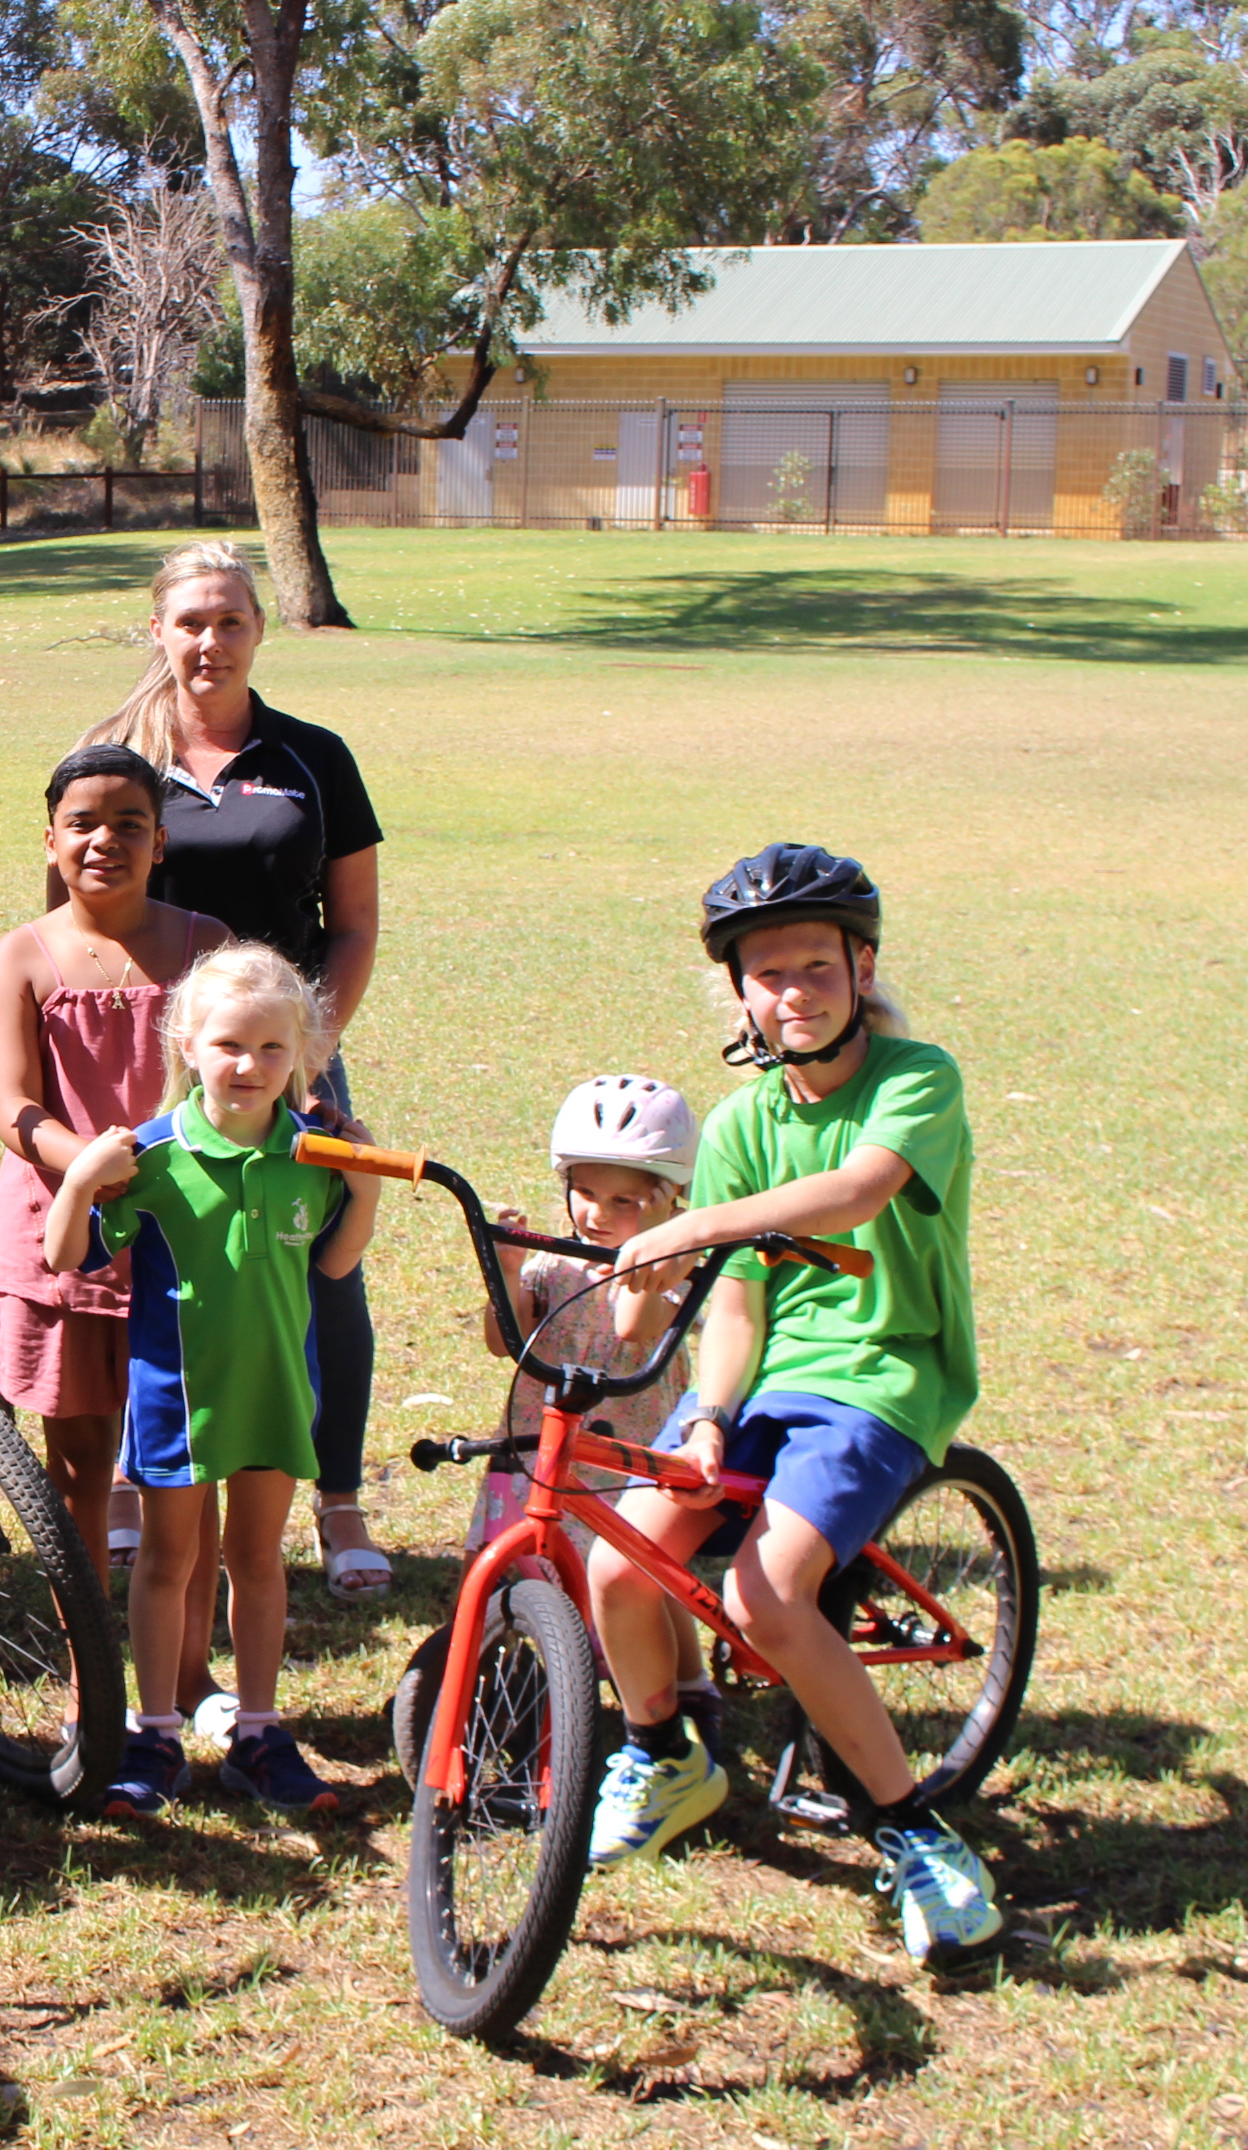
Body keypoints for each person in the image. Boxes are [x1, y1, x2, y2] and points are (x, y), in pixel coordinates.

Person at [584, 844, 1009, 1971]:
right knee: (619, 1562)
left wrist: (686, 1228)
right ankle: (665, 1754)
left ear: (861, 968)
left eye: (818, 967)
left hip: (882, 1375)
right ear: (741, 993)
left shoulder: (920, 1078)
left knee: (770, 1595)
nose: (796, 993)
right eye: (769, 975)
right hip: (768, 1381)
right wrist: (711, 1413)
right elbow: (738, 1307)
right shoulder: (736, 1126)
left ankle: (912, 1828)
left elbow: (857, 1189)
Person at [84, 541, 392, 1599]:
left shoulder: (313, 757)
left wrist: (314, 1050)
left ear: (259, 629)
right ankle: (138, 1481)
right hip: (155, 1059)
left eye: (230, 621)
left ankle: (339, 1499)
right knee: (158, 1268)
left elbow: (352, 926)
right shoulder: (114, 756)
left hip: (289, 1062)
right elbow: (75, 908)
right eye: (190, 622)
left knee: (323, 1266)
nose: (209, 641)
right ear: (159, 631)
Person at [47, 941, 383, 1821]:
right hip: (177, 1406)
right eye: (230, 1044)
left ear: (305, 1057)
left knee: (258, 1561)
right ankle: (153, 1734)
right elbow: (66, 1255)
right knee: (166, 1563)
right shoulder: (152, 1155)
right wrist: (81, 1176)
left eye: (274, 1049)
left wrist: (366, 1188)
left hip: (276, 1394)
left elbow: (336, 1267)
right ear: (187, 1044)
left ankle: (260, 1734)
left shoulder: (313, 1154)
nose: (250, 1065)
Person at [0, 742, 227, 1584]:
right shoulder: (20, 955)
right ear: (50, 840)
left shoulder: (208, 946)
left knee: (190, 1469)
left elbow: (244, 1079)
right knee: (80, 1458)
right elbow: (9, 1105)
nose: (104, 841)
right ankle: (93, 1675)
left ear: (161, 842)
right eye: (82, 823)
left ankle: (185, 1678)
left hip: (187, 1241)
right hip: (65, 1232)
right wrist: (84, 1163)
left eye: (131, 823)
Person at [471, 1074, 716, 1750]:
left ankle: (689, 1689)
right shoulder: (555, 1267)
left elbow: (635, 1324)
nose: (597, 1215)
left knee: (652, 1578)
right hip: (540, 1453)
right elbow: (506, 1342)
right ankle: (531, 1679)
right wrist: (507, 1264)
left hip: (625, 1467)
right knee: (523, 1564)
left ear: (670, 1202)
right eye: (584, 1192)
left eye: (625, 1201)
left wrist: (659, 1242)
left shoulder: (674, 1273)